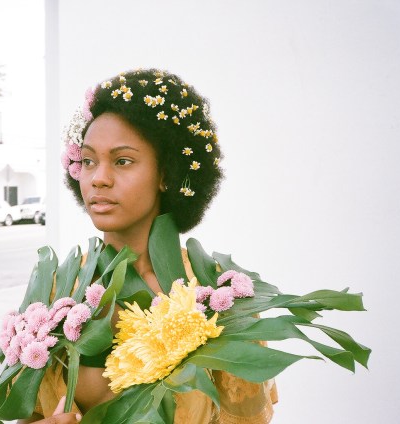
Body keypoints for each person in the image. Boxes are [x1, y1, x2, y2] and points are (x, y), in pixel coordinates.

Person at [19, 69, 277, 423]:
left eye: (122, 161)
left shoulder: (217, 296)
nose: (98, 178)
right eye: (89, 161)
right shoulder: (55, 293)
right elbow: (29, 412)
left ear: (166, 173)